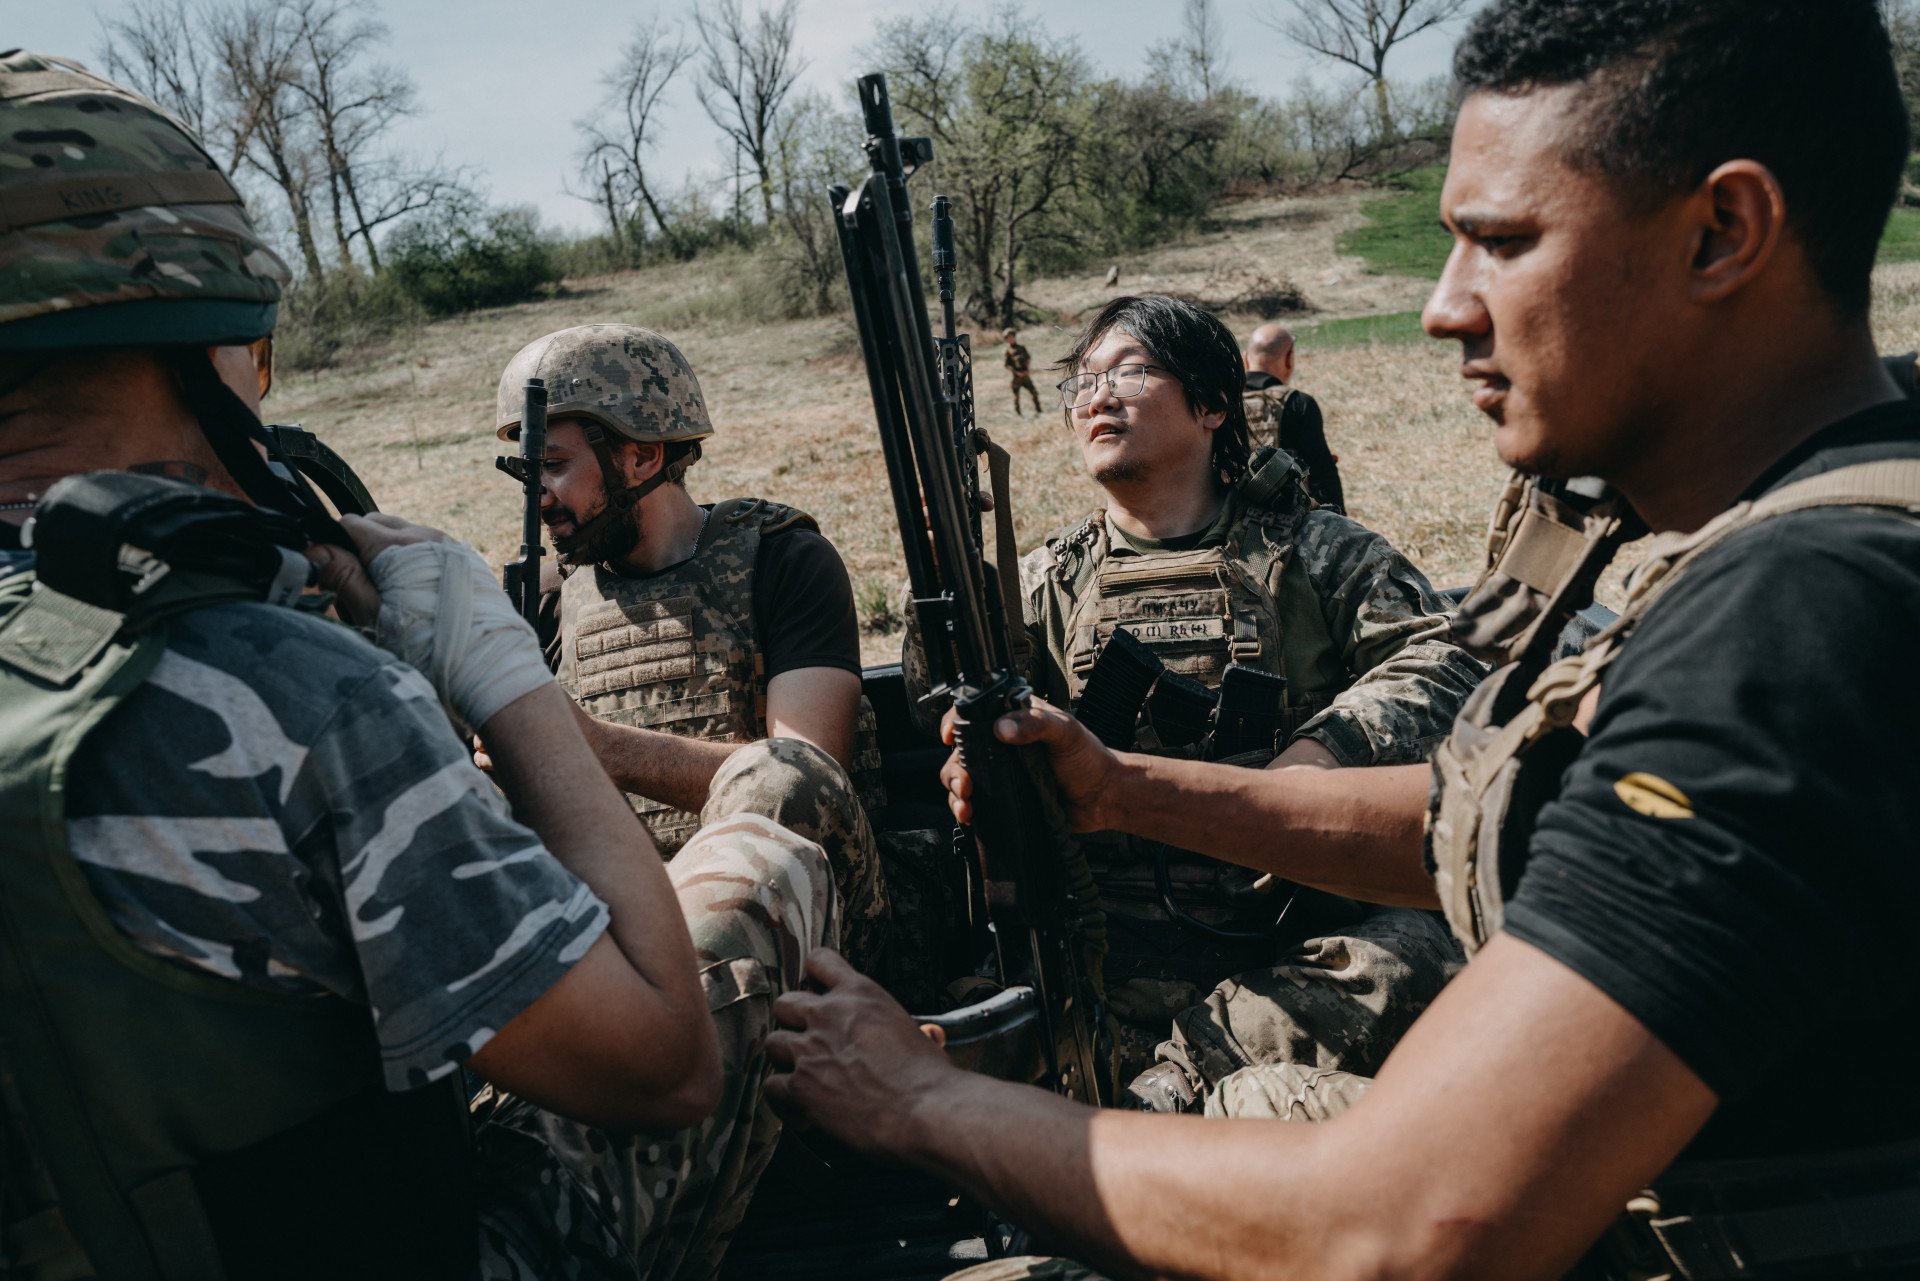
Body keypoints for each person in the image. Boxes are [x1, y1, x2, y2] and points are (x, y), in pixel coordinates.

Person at [767, 2, 1920, 1279]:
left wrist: (921, 1103)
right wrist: (1125, 792)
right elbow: (1483, 821)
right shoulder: (1761, 527)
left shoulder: (1798, 625)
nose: (1444, 309)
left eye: (1502, 242)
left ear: (1724, 232)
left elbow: (1399, 1226)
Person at [0, 53, 851, 1281]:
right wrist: (509, 689)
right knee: (764, 856)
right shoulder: (285, 695)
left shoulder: (776, 558)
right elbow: (660, 1065)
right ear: (214, 346)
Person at [910, 294, 1484, 1101]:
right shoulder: (1041, 583)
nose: (1098, 396)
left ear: (1213, 405)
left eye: (1131, 372)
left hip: (1290, 945)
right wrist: (940, 592)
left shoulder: (1316, 551)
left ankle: (1176, 1083)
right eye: (1082, 381)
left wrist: (1318, 757)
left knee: (1423, 949)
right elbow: (929, 702)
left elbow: (1451, 660)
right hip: (1103, 947)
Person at [491, 324, 887, 968]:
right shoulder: (545, 596)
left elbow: (808, 781)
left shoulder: (784, 561)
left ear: (643, 456)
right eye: (527, 470)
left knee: (787, 777)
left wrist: (602, 748)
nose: (537, 496)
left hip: (799, 924)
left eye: (555, 466)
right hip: (617, 928)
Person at [1243, 322, 1345, 512]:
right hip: (1287, 524)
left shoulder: (1220, 405)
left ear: (1246, 360)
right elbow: (1322, 475)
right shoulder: (1298, 403)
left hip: (1226, 521)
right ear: (1290, 359)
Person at [1003, 327, 1043, 415]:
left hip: (1025, 376)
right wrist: (1016, 372)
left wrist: (1027, 370)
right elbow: (1007, 365)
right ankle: (1018, 413)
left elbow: (1028, 358)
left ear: (1014, 336)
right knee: (1016, 396)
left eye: (1011, 336)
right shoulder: (1007, 351)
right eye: (1007, 337)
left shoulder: (1022, 348)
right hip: (1016, 377)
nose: (1010, 339)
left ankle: (1039, 410)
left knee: (1034, 393)